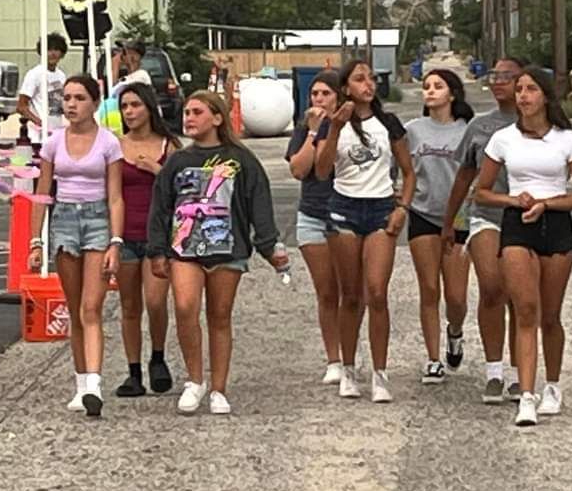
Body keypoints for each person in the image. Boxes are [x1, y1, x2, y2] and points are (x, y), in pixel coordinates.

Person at [148, 91, 288, 416]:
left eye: (197, 112)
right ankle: (194, 380)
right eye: (186, 112)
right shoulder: (178, 161)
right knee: (185, 307)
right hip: (184, 249)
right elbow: (161, 207)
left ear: (217, 118)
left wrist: (270, 246)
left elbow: (259, 204)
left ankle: (218, 388)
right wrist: (157, 249)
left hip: (228, 248)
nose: (189, 118)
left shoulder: (241, 160)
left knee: (220, 316)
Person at [474, 65, 572, 426]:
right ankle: (526, 394)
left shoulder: (567, 139)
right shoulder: (503, 139)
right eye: (519, 89)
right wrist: (515, 201)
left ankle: (552, 385)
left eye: (530, 89)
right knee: (524, 309)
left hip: (555, 225)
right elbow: (481, 191)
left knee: (549, 315)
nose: (523, 96)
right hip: (517, 224)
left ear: (544, 95)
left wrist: (548, 203)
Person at [314, 59, 416, 403]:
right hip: (344, 208)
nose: (368, 84)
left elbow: (408, 171)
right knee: (351, 294)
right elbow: (322, 169)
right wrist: (333, 128)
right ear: (346, 88)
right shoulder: (335, 124)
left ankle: (380, 373)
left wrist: (402, 207)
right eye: (359, 79)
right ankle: (347, 367)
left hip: (381, 209)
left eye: (371, 78)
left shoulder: (389, 123)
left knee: (377, 292)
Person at [28, 74, 125, 418]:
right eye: (67, 98)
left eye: (79, 98)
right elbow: (42, 192)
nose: (71, 104)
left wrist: (116, 240)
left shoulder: (109, 143)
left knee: (91, 306)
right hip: (65, 219)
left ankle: (95, 383)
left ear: (95, 103)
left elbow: (115, 196)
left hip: (98, 218)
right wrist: (36, 239)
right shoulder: (54, 142)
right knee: (74, 308)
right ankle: (81, 381)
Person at [443, 57, 528, 404]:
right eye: (494, 76)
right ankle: (495, 370)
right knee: (492, 286)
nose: (499, 82)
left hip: (526, 218)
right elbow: (463, 177)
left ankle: (521, 372)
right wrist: (449, 222)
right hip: (485, 215)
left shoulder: (541, 125)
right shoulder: (479, 127)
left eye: (507, 77)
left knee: (519, 295)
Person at [406, 69, 474, 385]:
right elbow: (402, 170)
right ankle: (433, 359)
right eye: (426, 87)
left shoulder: (467, 131)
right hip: (423, 214)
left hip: (459, 217)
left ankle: (455, 332)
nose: (431, 91)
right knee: (429, 289)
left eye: (438, 86)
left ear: (453, 94)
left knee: (456, 297)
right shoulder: (413, 131)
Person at [113, 82, 180, 398]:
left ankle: (158, 356)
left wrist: (157, 171)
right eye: (124, 106)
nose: (129, 112)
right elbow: (109, 193)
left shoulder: (170, 146)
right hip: (125, 234)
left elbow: (184, 192)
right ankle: (133, 371)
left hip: (158, 236)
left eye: (135, 105)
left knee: (155, 301)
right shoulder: (115, 146)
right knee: (129, 305)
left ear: (150, 108)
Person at [285, 70, 349, 385]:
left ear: (339, 96)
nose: (319, 100)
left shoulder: (351, 128)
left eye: (326, 94)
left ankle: (350, 349)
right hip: (312, 213)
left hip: (347, 213)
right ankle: (333, 358)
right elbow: (299, 169)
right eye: (315, 94)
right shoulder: (304, 129)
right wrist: (312, 132)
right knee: (326, 291)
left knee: (351, 289)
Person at [18, 32, 69, 143]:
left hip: (56, 132)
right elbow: (21, 106)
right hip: (37, 135)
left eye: (56, 50)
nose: (53, 54)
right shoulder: (34, 74)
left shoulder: (61, 75)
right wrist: (39, 122)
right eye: (49, 50)